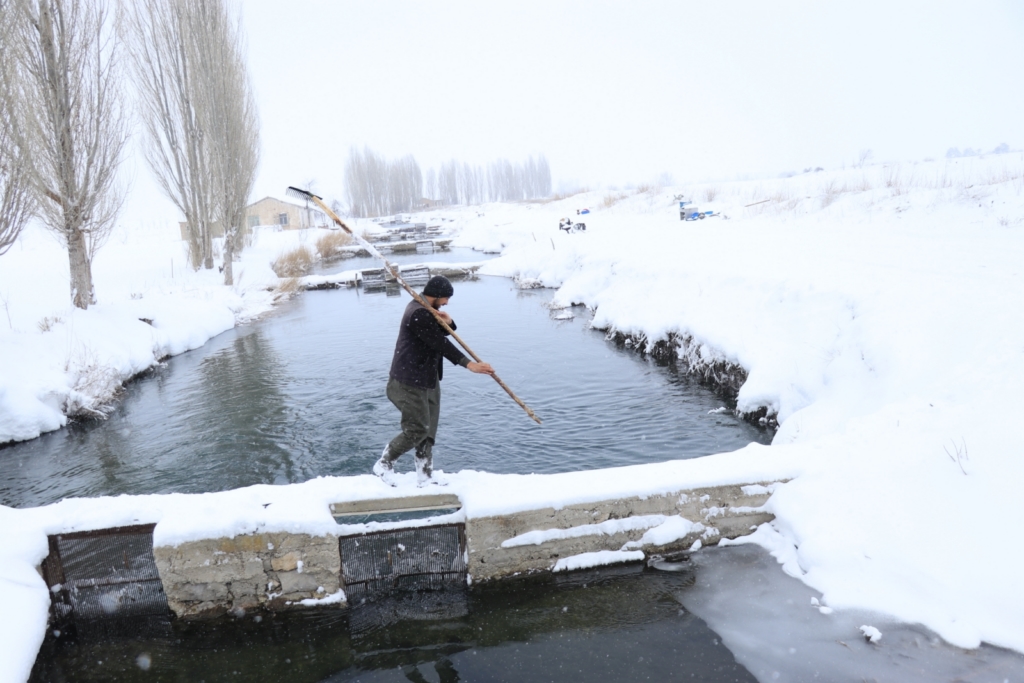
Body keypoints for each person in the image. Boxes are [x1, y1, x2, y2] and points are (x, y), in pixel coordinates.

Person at [373, 275, 494, 487]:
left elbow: (439, 332)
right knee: (417, 429)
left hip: (428, 380)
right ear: (436, 295)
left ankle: (424, 474)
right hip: (409, 382)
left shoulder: (426, 310)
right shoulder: (418, 313)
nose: (447, 302)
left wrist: (450, 322)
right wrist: (470, 365)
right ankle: (384, 463)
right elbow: (440, 344)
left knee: (428, 431)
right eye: (446, 298)